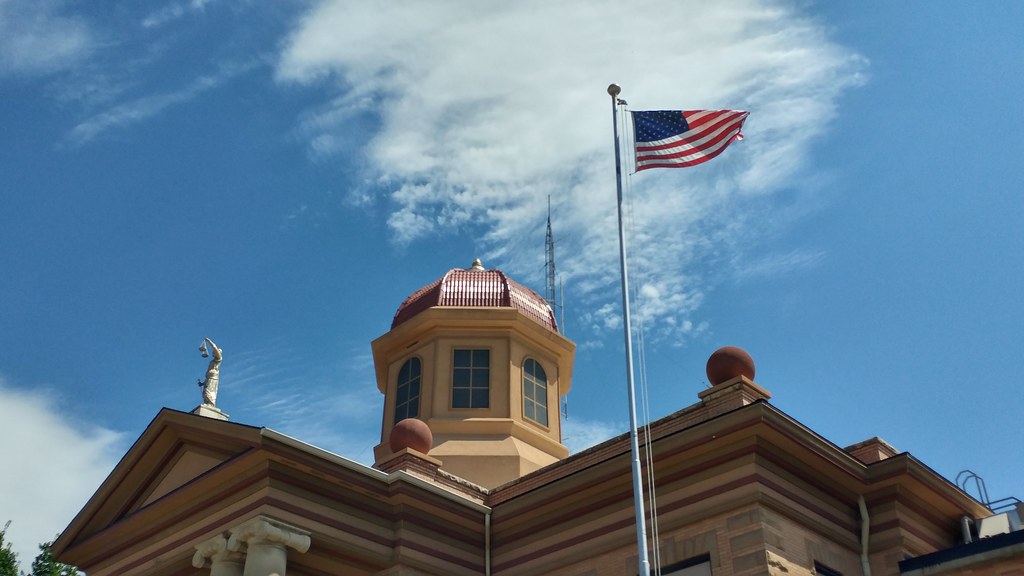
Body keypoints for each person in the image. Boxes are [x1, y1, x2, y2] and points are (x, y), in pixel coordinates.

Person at [198, 338, 222, 406]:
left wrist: (208, 341)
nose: (214, 352)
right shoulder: (212, 361)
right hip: (208, 378)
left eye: (215, 351)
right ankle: (207, 403)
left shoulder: (219, 359)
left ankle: (210, 403)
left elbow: (214, 347)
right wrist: (202, 383)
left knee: (208, 391)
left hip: (213, 378)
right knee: (205, 392)